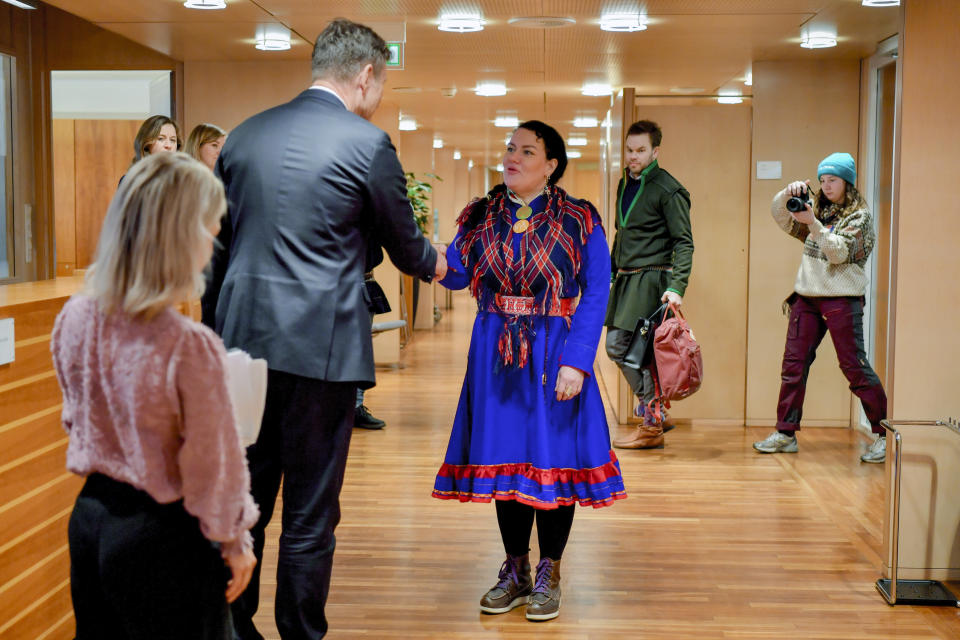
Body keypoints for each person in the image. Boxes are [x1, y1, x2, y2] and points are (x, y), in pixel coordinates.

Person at [200, 18, 444, 639]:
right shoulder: (368, 145)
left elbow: (218, 255)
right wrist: (443, 260)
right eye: (381, 83)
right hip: (322, 352)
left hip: (241, 347)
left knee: (244, 500)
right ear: (365, 76)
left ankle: (232, 627)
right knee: (310, 512)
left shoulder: (244, 137)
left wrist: (212, 339)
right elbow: (409, 250)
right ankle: (301, 633)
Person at [51, 152, 259, 639]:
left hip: (90, 520)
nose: (212, 242)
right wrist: (234, 540)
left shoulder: (75, 318)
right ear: (179, 238)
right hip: (161, 534)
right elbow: (212, 463)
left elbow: (74, 417)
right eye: (207, 228)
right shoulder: (187, 345)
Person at [432, 120, 625, 622]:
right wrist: (420, 254)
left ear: (551, 165)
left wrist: (577, 362)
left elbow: (596, 291)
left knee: (553, 458)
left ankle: (549, 571)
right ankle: (515, 570)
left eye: (526, 151)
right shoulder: (481, 215)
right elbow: (455, 272)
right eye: (510, 148)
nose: (512, 157)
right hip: (495, 352)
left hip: (553, 351)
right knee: (505, 459)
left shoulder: (579, 219)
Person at [753, 152, 887, 463]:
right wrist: (789, 193)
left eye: (833, 180)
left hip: (842, 298)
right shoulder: (818, 210)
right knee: (793, 366)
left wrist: (812, 222)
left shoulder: (860, 218)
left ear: (847, 183)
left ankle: (883, 434)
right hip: (807, 297)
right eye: (823, 180)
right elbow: (779, 214)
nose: (826, 186)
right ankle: (785, 434)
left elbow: (837, 253)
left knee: (854, 367)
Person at [604, 119, 694, 449]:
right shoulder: (623, 184)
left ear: (655, 151)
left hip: (652, 286)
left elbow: (684, 242)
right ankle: (655, 415)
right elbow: (621, 234)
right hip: (626, 284)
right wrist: (610, 273)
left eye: (641, 150)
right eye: (629, 150)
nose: (633, 156)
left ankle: (652, 419)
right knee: (636, 353)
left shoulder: (668, 189)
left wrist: (677, 286)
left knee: (623, 347)